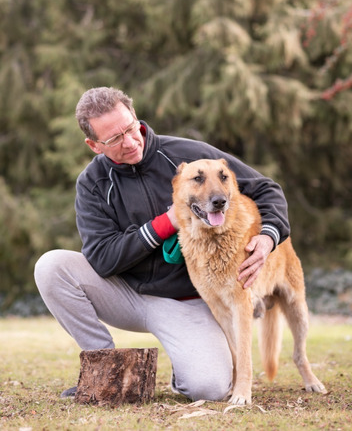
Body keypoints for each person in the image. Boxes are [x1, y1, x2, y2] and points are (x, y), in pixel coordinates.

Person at [34, 86, 290, 401]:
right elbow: (101, 258)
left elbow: (267, 189)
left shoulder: (189, 156)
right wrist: (166, 223)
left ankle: (184, 367)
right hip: (125, 294)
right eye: (114, 139)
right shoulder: (92, 183)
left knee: (208, 388)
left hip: (187, 301)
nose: (129, 142)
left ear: (135, 116)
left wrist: (269, 237)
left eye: (130, 128)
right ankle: (104, 366)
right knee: (50, 266)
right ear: (94, 145)